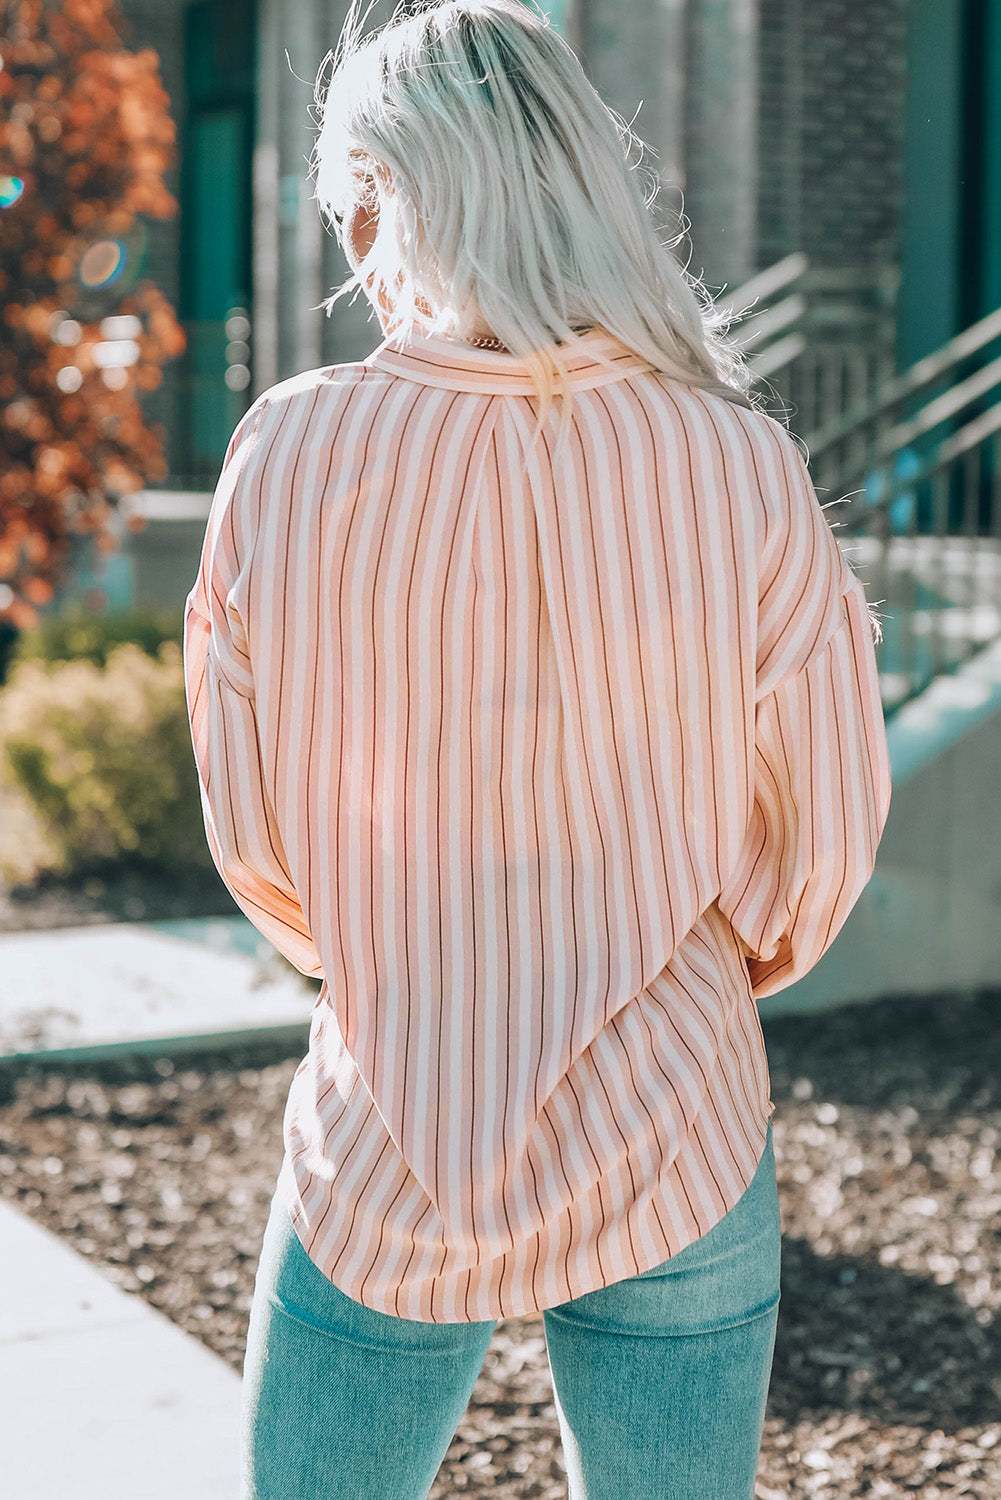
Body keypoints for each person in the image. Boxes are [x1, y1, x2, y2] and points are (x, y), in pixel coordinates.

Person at [181, 1, 892, 1495]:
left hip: (390, 1111)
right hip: (675, 1104)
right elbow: (822, 826)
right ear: (579, 174)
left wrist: (383, 952)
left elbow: (256, 844)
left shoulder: (287, 448)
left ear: (386, 194)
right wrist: (710, 957)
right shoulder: (736, 456)